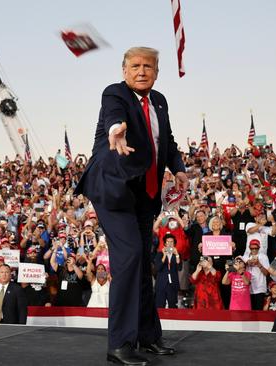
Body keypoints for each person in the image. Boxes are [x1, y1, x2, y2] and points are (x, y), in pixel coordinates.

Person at [75, 46, 187, 365]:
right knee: (129, 257)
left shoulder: (160, 101)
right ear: (124, 70)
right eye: (135, 66)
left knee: (141, 261)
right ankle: (120, 344)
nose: (141, 71)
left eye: (148, 66)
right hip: (112, 190)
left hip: (144, 193)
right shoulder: (115, 94)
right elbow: (115, 118)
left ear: (156, 72)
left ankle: (148, 337)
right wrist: (116, 130)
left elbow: (167, 142)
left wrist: (177, 168)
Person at [154, 233, 181, 308]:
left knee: (172, 305)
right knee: (159, 305)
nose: (169, 244)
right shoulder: (159, 254)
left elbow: (179, 268)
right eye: (167, 242)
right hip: (161, 283)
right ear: (165, 243)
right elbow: (158, 268)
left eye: (171, 242)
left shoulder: (177, 254)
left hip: (172, 283)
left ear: (174, 243)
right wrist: (164, 255)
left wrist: (177, 255)